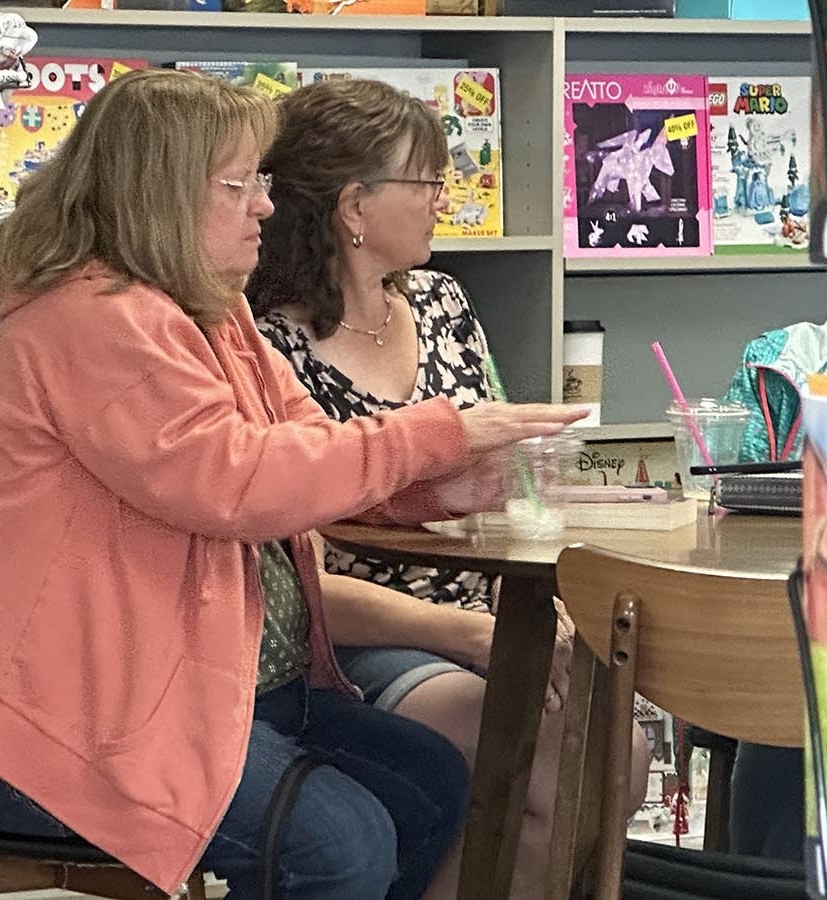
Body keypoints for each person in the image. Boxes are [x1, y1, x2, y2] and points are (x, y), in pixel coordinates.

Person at [0, 68, 587, 900]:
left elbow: (303, 447)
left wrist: (429, 493)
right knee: (342, 847)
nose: (265, 204)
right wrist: (441, 432)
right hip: (64, 727)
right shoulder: (90, 320)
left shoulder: (212, 311)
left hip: (194, 686)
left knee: (427, 786)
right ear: (161, 196)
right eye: (239, 184)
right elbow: (232, 478)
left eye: (262, 181)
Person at [246, 77, 650, 898]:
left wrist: (546, 594)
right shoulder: (265, 345)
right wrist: (464, 633)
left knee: (622, 753)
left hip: (495, 606)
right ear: (354, 206)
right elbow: (298, 582)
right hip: (365, 634)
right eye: (426, 179)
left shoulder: (444, 303)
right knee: (535, 759)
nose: (445, 197)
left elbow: (500, 490)